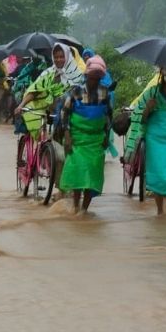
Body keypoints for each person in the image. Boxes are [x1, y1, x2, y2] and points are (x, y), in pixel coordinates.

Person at [125, 70, 166, 215]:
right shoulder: (151, 93)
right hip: (156, 141)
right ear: (165, 81)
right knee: (159, 176)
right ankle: (160, 212)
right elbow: (141, 119)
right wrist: (148, 108)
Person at [59, 55, 113, 214]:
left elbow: (109, 116)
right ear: (87, 75)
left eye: (98, 77)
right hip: (77, 139)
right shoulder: (75, 92)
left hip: (96, 140)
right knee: (77, 173)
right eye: (92, 76)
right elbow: (65, 114)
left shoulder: (105, 93)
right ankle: (76, 206)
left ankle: (84, 209)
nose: (94, 80)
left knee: (92, 175)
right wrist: (67, 135)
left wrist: (106, 137)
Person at [14, 43, 83, 133]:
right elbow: (35, 90)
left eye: (62, 57)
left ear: (68, 56)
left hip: (68, 116)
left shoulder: (77, 75)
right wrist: (21, 105)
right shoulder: (48, 73)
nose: (58, 60)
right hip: (47, 113)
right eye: (56, 57)